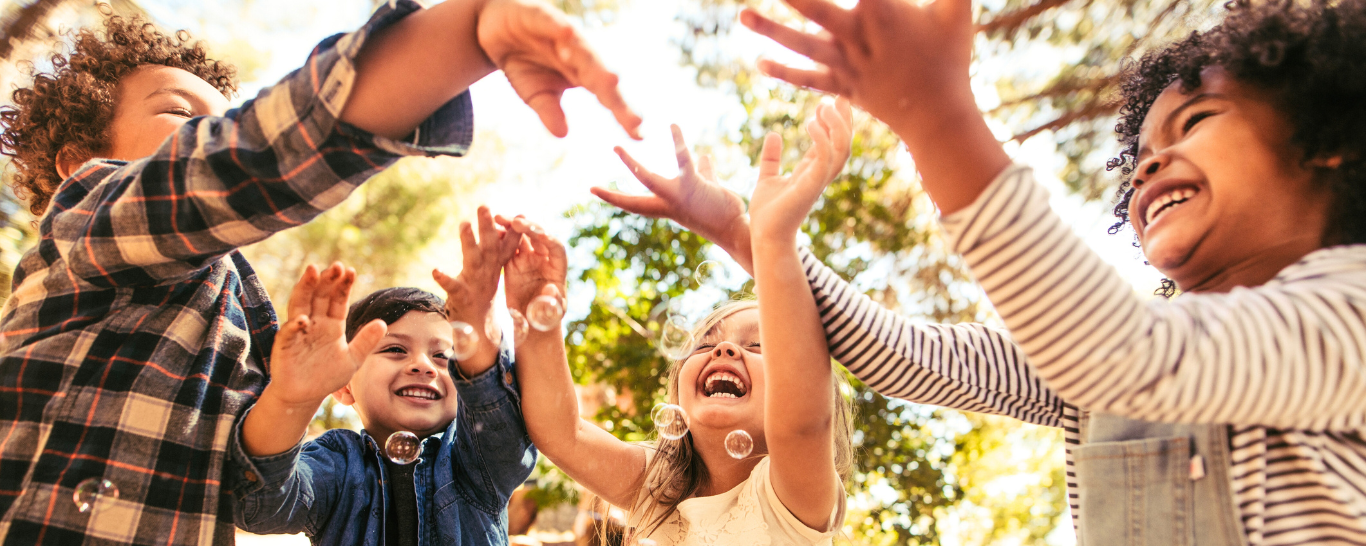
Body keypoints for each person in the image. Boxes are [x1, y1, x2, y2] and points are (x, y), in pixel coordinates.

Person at [596, 0, 1366, 544]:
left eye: (1196, 121)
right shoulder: (1096, 359)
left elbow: (1132, 353)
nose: (1150, 163)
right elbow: (908, 356)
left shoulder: (1350, 309)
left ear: (1325, 140)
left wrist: (936, 117)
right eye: (1139, 156)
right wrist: (754, 235)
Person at [0, 0, 640, 543]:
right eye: (180, 114)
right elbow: (239, 165)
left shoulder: (239, 307)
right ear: (77, 159)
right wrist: (463, 34)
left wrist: (292, 395)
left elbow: (243, 478)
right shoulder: (89, 220)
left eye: (218, 120)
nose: (210, 133)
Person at [498, 101, 856, 546]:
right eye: (705, 344)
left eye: (760, 346)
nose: (724, 351)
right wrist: (538, 315)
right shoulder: (657, 485)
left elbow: (803, 422)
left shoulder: (792, 499)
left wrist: (763, 239)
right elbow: (562, 433)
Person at [232, 207, 534, 546]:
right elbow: (261, 504)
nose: (423, 365)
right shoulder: (336, 462)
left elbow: (503, 433)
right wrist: (292, 400)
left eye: (444, 356)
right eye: (394, 350)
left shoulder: (477, 462)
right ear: (344, 385)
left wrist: (479, 328)